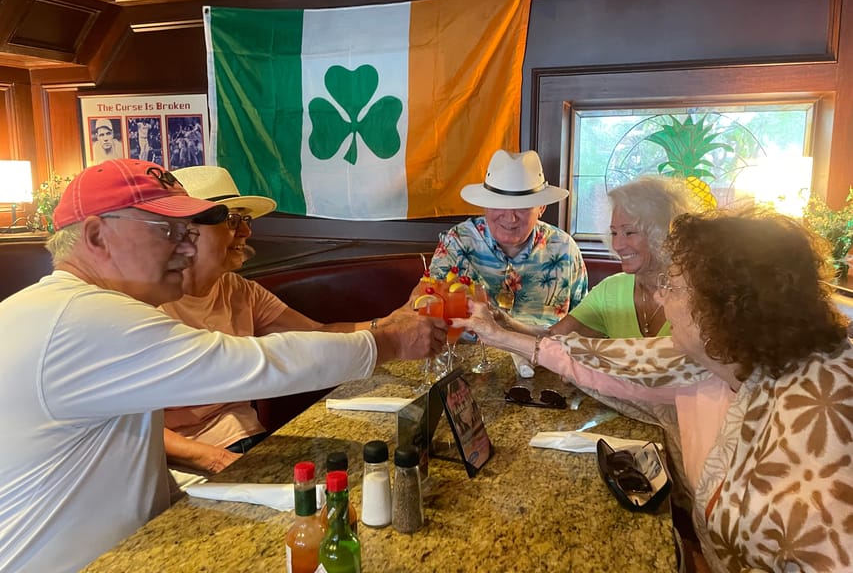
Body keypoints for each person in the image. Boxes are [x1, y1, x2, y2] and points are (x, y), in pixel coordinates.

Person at [0, 159, 444, 573]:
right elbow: (252, 364)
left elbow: (129, 465)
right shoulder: (80, 318)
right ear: (97, 237)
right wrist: (387, 341)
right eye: (167, 231)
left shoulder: (71, 309)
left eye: (187, 232)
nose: (187, 249)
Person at [457, 207, 852, 573]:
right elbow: (616, 361)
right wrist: (502, 334)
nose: (660, 295)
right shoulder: (735, 356)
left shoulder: (819, 417)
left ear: (726, 307)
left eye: (674, 288)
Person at [161, 165, 432, 486]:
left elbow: (316, 336)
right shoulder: (147, 306)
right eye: (232, 221)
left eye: (245, 220)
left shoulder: (238, 290)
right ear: (187, 233)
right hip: (188, 468)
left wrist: (391, 324)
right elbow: (130, 426)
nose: (247, 232)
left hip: (250, 442)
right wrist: (217, 460)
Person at [507, 176, 696, 339]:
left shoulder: (701, 293)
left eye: (629, 232)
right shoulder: (611, 291)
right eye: (614, 233)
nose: (617, 245)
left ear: (662, 233)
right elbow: (552, 339)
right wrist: (502, 325)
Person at [427, 149, 588, 327]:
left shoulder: (564, 248)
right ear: (485, 205)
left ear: (541, 208)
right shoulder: (457, 241)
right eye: (499, 205)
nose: (510, 218)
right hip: (470, 351)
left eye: (522, 207)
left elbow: (582, 323)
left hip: (541, 351)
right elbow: (431, 305)